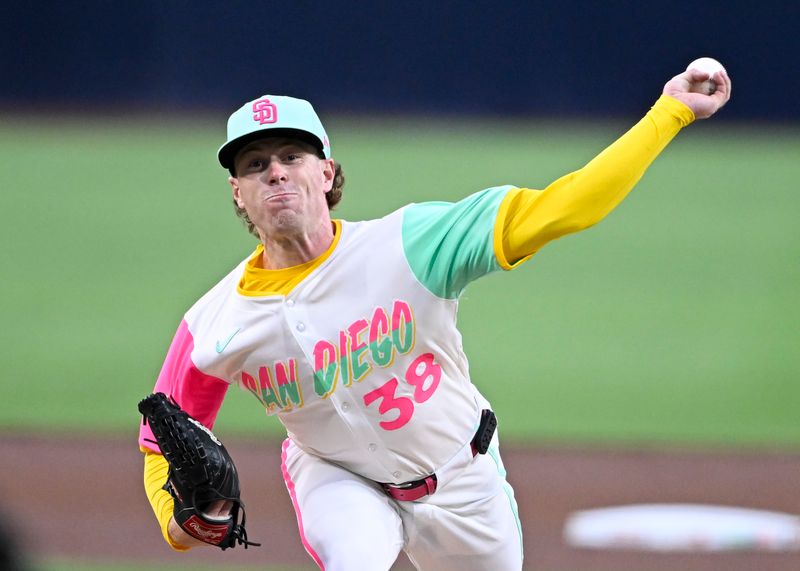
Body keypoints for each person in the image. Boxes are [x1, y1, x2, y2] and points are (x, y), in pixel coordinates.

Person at [138, 63, 732, 570]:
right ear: (237, 192)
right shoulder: (212, 322)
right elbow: (158, 440)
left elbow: (567, 206)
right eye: (254, 163)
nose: (275, 171)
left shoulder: (410, 244)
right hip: (337, 479)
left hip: (463, 478)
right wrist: (180, 524)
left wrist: (670, 112)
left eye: (293, 155)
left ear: (326, 171)